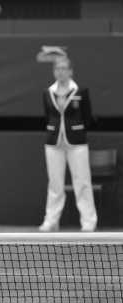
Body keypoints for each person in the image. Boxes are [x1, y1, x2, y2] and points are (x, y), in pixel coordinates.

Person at [38, 56, 96, 232]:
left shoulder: (81, 91)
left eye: (64, 68)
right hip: (53, 144)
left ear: (71, 71)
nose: (61, 72)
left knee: (83, 182)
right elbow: (49, 115)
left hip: (77, 143)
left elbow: (87, 117)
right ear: (54, 71)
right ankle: (51, 220)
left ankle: (88, 221)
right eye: (57, 68)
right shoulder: (48, 92)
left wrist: (76, 131)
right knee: (55, 184)